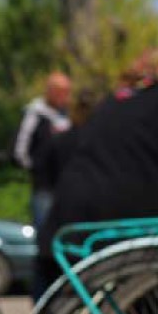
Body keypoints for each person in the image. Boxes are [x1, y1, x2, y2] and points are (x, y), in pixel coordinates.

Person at [36, 49, 158, 290]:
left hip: (70, 216)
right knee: (152, 290)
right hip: (129, 216)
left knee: (67, 303)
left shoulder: (111, 101)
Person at [28, 87, 98, 300]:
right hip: (86, 210)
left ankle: (43, 306)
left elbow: (39, 166)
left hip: (58, 205)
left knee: (48, 260)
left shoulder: (61, 138)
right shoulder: (98, 143)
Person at [13, 71, 72, 233]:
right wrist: (35, 169)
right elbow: (20, 149)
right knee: (45, 232)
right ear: (51, 91)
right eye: (62, 92)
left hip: (65, 186)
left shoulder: (66, 116)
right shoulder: (35, 114)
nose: (66, 97)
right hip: (44, 188)